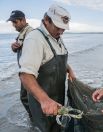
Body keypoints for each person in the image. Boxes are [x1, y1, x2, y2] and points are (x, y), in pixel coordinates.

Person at [19, 4, 75, 132]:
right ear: (46, 20)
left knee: (57, 127)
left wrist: (69, 69)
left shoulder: (57, 37)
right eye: (58, 27)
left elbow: (54, 60)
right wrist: (45, 101)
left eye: (63, 28)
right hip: (42, 104)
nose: (61, 32)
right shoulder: (35, 39)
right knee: (45, 128)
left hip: (57, 100)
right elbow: (25, 75)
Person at [7, 10, 33, 119]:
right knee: (27, 97)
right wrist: (14, 47)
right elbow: (21, 49)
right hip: (25, 71)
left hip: (29, 72)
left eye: (15, 22)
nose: (13, 25)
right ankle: (34, 117)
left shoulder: (31, 33)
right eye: (12, 22)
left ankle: (35, 119)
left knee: (26, 97)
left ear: (23, 20)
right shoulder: (23, 32)